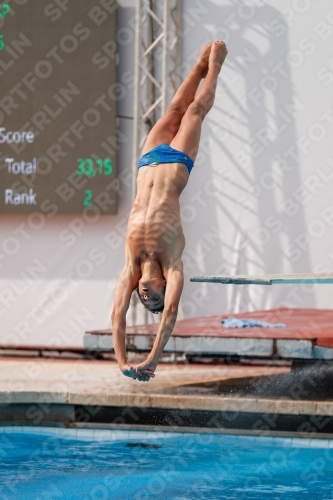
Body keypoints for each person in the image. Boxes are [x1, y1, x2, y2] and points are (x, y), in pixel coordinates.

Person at [111, 41, 228, 382]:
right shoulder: (174, 265)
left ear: (138, 288)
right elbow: (171, 314)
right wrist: (152, 359)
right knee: (193, 113)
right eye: (155, 299)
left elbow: (118, 316)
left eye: (144, 299)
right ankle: (215, 65)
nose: (148, 297)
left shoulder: (130, 267)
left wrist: (122, 362)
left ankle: (199, 62)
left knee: (175, 108)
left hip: (147, 162)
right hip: (177, 163)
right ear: (164, 285)